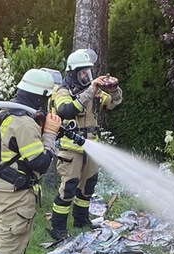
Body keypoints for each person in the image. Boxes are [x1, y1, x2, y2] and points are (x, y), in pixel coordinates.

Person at [0, 68, 61, 254]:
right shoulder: (23, 122)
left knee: (11, 232)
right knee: (11, 238)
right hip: (14, 192)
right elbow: (39, 161)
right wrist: (50, 135)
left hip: (3, 187)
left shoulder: (5, 112)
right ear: (40, 97)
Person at [48, 49, 123, 240]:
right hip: (70, 149)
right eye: (83, 73)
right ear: (72, 73)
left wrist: (114, 90)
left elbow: (114, 104)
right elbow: (66, 110)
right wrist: (90, 90)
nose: (87, 77)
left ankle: (81, 220)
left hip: (92, 147)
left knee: (88, 185)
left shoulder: (94, 93)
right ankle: (58, 227)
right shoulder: (63, 91)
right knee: (69, 187)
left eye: (88, 73)